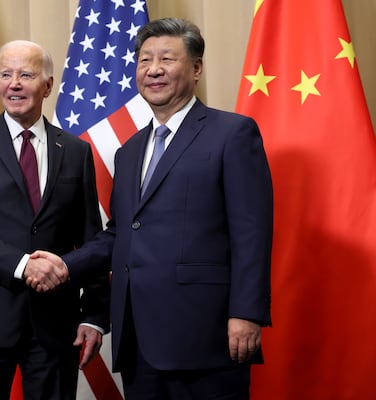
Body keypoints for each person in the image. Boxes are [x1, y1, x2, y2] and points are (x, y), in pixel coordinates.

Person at [29, 18, 273, 399]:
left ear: (196, 68)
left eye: (166, 59)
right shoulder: (129, 152)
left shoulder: (233, 134)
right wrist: (64, 265)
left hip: (206, 336)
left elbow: (251, 231)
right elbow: (121, 233)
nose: (153, 69)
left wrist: (247, 313)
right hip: (138, 340)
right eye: (144, 60)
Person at [0, 40, 109, 400]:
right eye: (5, 74)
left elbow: (92, 239)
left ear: (48, 85)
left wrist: (94, 314)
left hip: (54, 325)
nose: (13, 83)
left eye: (26, 74)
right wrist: (22, 266)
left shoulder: (76, 152)